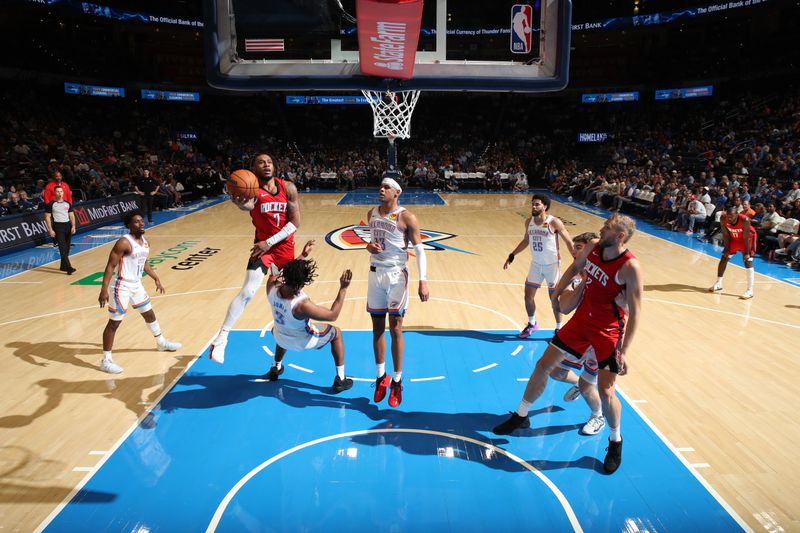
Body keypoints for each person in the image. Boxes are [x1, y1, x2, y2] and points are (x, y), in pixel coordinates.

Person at [493, 214, 643, 475]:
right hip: (581, 322)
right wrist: (555, 296)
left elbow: (637, 311)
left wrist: (624, 350)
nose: (601, 228)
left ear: (620, 236)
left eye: (607, 227)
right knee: (543, 366)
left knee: (606, 390)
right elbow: (575, 268)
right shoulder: (595, 248)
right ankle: (521, 414)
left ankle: (615, 440)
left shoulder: (630, 267)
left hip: (607, 332)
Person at [209, 152, 300, 363]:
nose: (266, 165)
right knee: (248, 291)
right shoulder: (253, 191)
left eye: (269, 162)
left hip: (284, 249)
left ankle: (283, 350)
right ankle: (221, 339)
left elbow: (295, 223)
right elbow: (248, 205)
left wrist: (270, 241)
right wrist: (239, 203)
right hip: (263, 250)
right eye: (261, 162)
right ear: (254, 169)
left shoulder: (288, 188)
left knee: (287, 298)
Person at [366, 177, 429, 407]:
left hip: (396, 275)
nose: (381, 190)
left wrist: (423, 281)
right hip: (375, 273)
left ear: (397, 193)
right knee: (376, 328)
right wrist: (368, 246)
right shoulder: (372, 212)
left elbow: (420, 251)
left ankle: (397, 381)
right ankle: (381, 377)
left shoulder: (407, 217)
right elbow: (372, 240)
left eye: (386, 188)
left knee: (396, 328)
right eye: (380, 187)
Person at [98, 211, 182, 374]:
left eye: (141, 221)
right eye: (136, 222)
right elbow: (110, 266)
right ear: (129, 225)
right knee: (114, 322)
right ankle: (106, 360)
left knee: (149, 314)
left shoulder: (145, 242)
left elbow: (144, 264)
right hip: (121, 286)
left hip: (136, 285)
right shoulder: (123, 242)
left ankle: (161, 342)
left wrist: (155, 278)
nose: (141, 223)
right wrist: (103, 289)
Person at [545, 232, 607, 436]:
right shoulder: (574, 273)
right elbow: (565, 307)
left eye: (580, 247)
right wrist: (582, 283)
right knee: (556, 373)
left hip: (599, 335)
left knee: (588, 384)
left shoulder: (605, 272)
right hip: (578, 332)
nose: (574, 250)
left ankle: (598, 416)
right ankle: (579, 385)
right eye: (574, 246)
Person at [265, 257, 354, 393]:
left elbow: (279, 273)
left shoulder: (271, 286)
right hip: (303, 341)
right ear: (301, 283)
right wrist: (343, 288)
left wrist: (302, 255)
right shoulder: (302, 305)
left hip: (279, 336)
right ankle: (341, 379)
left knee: (283, 328)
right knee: (337, 333)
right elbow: (333, 315)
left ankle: (276, 367)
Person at [504, 193, 574, 337]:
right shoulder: (528, 221)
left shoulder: (554, 222)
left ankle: (559, 329)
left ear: (545, 206)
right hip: (536, 265)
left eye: (537, 204)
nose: (534, 206)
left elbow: (568, 241)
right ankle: (532, 324)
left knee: (554, 299)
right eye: (533, 204)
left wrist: (576, 258)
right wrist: (512, 255)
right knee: (528, 296)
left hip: (552, 266)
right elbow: (525, 240)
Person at [709, 206, 757, 299]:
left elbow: (746, 237)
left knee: (748, 261)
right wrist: (727, 248)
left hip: (748, 239)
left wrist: (746, 253)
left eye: (731, 216)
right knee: (724, 257)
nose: (729, 218)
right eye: (728, 216)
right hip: (734, 238)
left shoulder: (745, 220)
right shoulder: (723, 218)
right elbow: (725, 234)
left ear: (737, 215)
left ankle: (750, 290)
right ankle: (718, 283)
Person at [43, 185, 77, 275]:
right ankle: (69, 267)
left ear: (63, 192)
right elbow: (47, 217)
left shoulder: (67, 203)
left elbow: (71, 215)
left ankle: (63, 266)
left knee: (67, 248)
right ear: (54, 193)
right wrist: (50, 229)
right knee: (62, 248)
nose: (60, 193)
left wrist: (73, 226)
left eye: (61, 191)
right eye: (58, 191)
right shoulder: (51, 204)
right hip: (58, 227)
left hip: (67, 226)